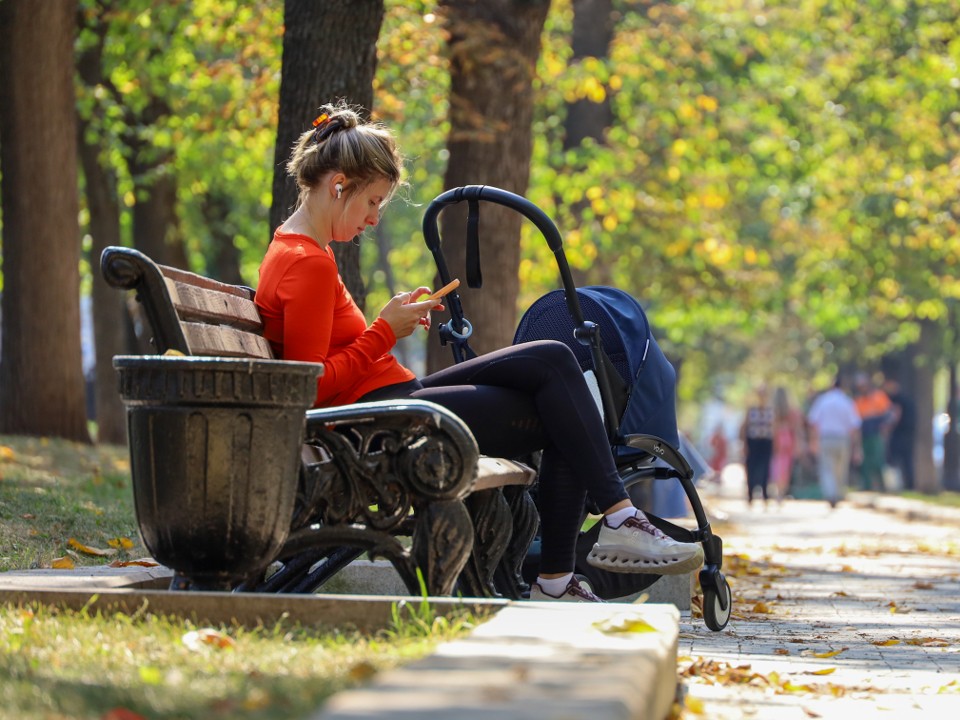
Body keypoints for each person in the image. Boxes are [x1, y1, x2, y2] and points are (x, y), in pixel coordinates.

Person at [254, 102, 703, 603]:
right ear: (339, 184)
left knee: (553, 359)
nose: (374, 219)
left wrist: (387, 325)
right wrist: (384, 330)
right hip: (379, 425)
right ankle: (582, 554)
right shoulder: (307, 262)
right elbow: (311, 386)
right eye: (373, 202)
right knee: (564, 405)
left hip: (391, 402)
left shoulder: (300, 250)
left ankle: (603, 534)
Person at [806, 377, 862, 507]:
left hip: (826, 438)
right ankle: (837, 493)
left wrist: (813, 440)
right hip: (843, 439)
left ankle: (830, 493)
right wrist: (857, 446)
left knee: (827, 468)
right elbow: (855, 425)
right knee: (840, 468)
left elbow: (813, 422)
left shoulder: (823, 400)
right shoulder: (847, 402)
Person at [853, 372, 893, 492]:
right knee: (865, 462)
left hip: (877, 434)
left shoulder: (879, 397)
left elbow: (889, 415)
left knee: (878, 460)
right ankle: (867, 486)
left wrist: (886, 428)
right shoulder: (858, 401)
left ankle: (882, 486)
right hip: (864, 435)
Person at [740, 384, 774, 507]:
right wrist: (744, 444)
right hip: (753, 441)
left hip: (766, 442)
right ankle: (750, 494)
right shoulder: (751, 410)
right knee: (751, 468)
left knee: (765, 468)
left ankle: (765, 494)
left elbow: (774, 428)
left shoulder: (771, 410)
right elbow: (744, 427)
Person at [770, 386, 803, 503]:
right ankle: (782, 491)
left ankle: (778, 491)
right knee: (786, 467)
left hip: (778, 438)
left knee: (777, 465)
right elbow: (796, 429)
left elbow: (773, 428)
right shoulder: (792, 411)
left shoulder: (773, 410)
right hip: (788, 440)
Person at [882, 376, 915, 491]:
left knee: (893, 459)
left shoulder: (897, 400)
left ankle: (896, 485)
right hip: (908, 434)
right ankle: (909, 484)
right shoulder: (907, 399)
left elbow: (895, 416)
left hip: (899, 433)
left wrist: (886, 428)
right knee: (907, 461)